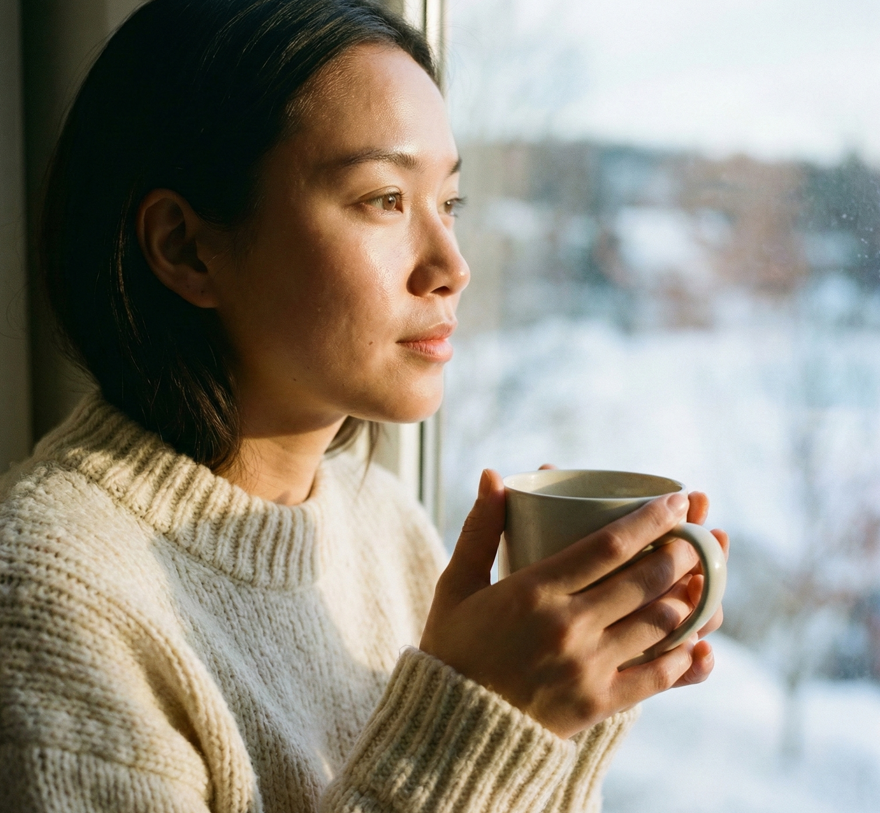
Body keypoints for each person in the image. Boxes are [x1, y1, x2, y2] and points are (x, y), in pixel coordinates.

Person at [0, 1, 728, 810]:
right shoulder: (50, 602)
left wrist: (563, 701)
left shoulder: (380, 522)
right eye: (383, 198)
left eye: (448, 204)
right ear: (185, 246)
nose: (451, 264)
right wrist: (480, 727)